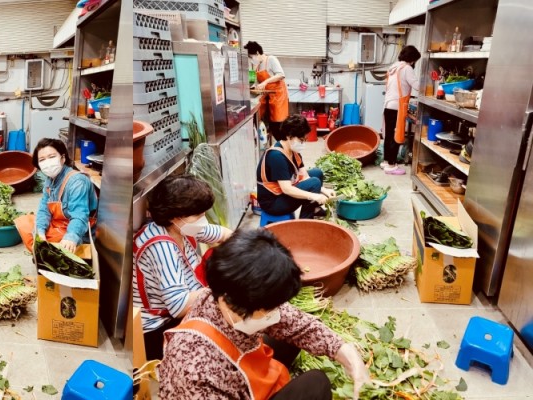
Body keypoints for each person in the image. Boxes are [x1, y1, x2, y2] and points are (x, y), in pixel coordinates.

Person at [158, 229, 370, 399]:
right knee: (315, 385)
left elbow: (298, 324)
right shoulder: (194, 370)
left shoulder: (230, 296)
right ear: (231, 302)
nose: (278, 313)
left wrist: (348, 354)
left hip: (240, 374)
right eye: (269, 309)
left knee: (291, 334)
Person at [133, 175, 233, 361]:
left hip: (186, 299)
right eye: (199, 215)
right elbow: (178, 307)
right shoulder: (162, 247)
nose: (203, 220)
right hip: (157, 328)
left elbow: (225, 235)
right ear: (175, 216)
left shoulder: (185, 226)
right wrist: (224, 287)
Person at [14, 138, 98, 253]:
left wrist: (71, 237)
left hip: (78, 229)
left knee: (55, 248)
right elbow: (44, 209)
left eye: (52, 157)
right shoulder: (50, 180)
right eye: (42, 159)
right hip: (59, 223)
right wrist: (40, 231)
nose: (47, 162)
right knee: (26, 224)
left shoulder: (77, 182)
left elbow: (80, 215)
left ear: (62, 158)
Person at [256, 115, 335, 219]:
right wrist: (314, 196)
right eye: (301, 140)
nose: (303, 143)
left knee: (316, 173)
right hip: (273, 202)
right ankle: (305, 219)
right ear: (289, 136)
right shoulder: (277, 156)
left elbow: (306, 177)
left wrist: (324, 191)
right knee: (314, 182)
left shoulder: (294, 151)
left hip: (282, 192)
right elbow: (287, 189)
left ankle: (313, 209)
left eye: (304, 140)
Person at [381, 45, 421, 175]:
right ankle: (391, 166)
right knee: (396, 134)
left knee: (388, 134)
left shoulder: (394, 67)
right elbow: (416, 85)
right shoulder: (407, 68)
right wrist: (429, 86)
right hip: (397, 105)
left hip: (388, 104)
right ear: (412, 59)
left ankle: (386, 161)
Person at [246, 41, 289, 134]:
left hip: (278, 97)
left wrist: (265, 82)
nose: (251, 59)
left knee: (279, 125)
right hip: (268, 97)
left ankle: (284, 146)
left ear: (257, 53)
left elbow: (281, 74)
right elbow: (258, 82)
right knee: (271, 126)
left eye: (251, 56)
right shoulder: (257, 66)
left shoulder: (271, 59)